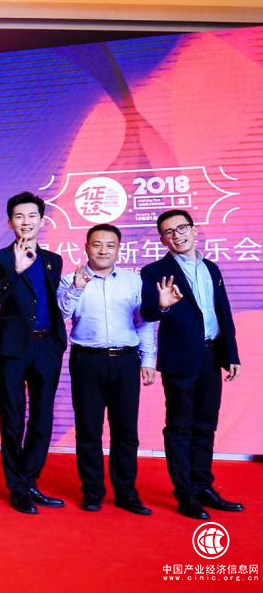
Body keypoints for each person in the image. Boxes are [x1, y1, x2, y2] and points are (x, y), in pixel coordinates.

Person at [140, 209, 243, 520]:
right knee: (179, 427)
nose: (177, 235)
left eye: (182, 228)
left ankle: (203, 487)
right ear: (162, 240)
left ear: (194, 230)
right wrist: (161, 305)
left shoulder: (212, 268)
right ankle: (185, 494)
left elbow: (222, 312)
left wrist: (231, 354)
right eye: (169, 232)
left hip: (211, 356)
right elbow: (147, 313)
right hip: (180, 360)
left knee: (205, 426)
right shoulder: (154, 271)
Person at [56, 223, 155, 515]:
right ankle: (92, 492)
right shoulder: (69, 279)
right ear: (86, 247)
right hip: (87, 360)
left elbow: (144, 322)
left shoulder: (133, 281)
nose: (103, 250)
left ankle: (126, 493)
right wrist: (76, 288)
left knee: (126, 431)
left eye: (110, 245)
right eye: (97, 244)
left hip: (126, 360)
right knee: (88, 430)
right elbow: (61, 314)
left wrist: (148, 359)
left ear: (119, 249)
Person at [0, 191, 66, 514]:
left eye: (32, 216)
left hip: (47, 346)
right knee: (12, 417)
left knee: (43, 416)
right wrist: (15, 271)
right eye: (19, 216)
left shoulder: (53, 260)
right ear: (9, 223)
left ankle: (30, 480)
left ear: (42, 220)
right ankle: (16, 487)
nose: (26, 222)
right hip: (13, 348)